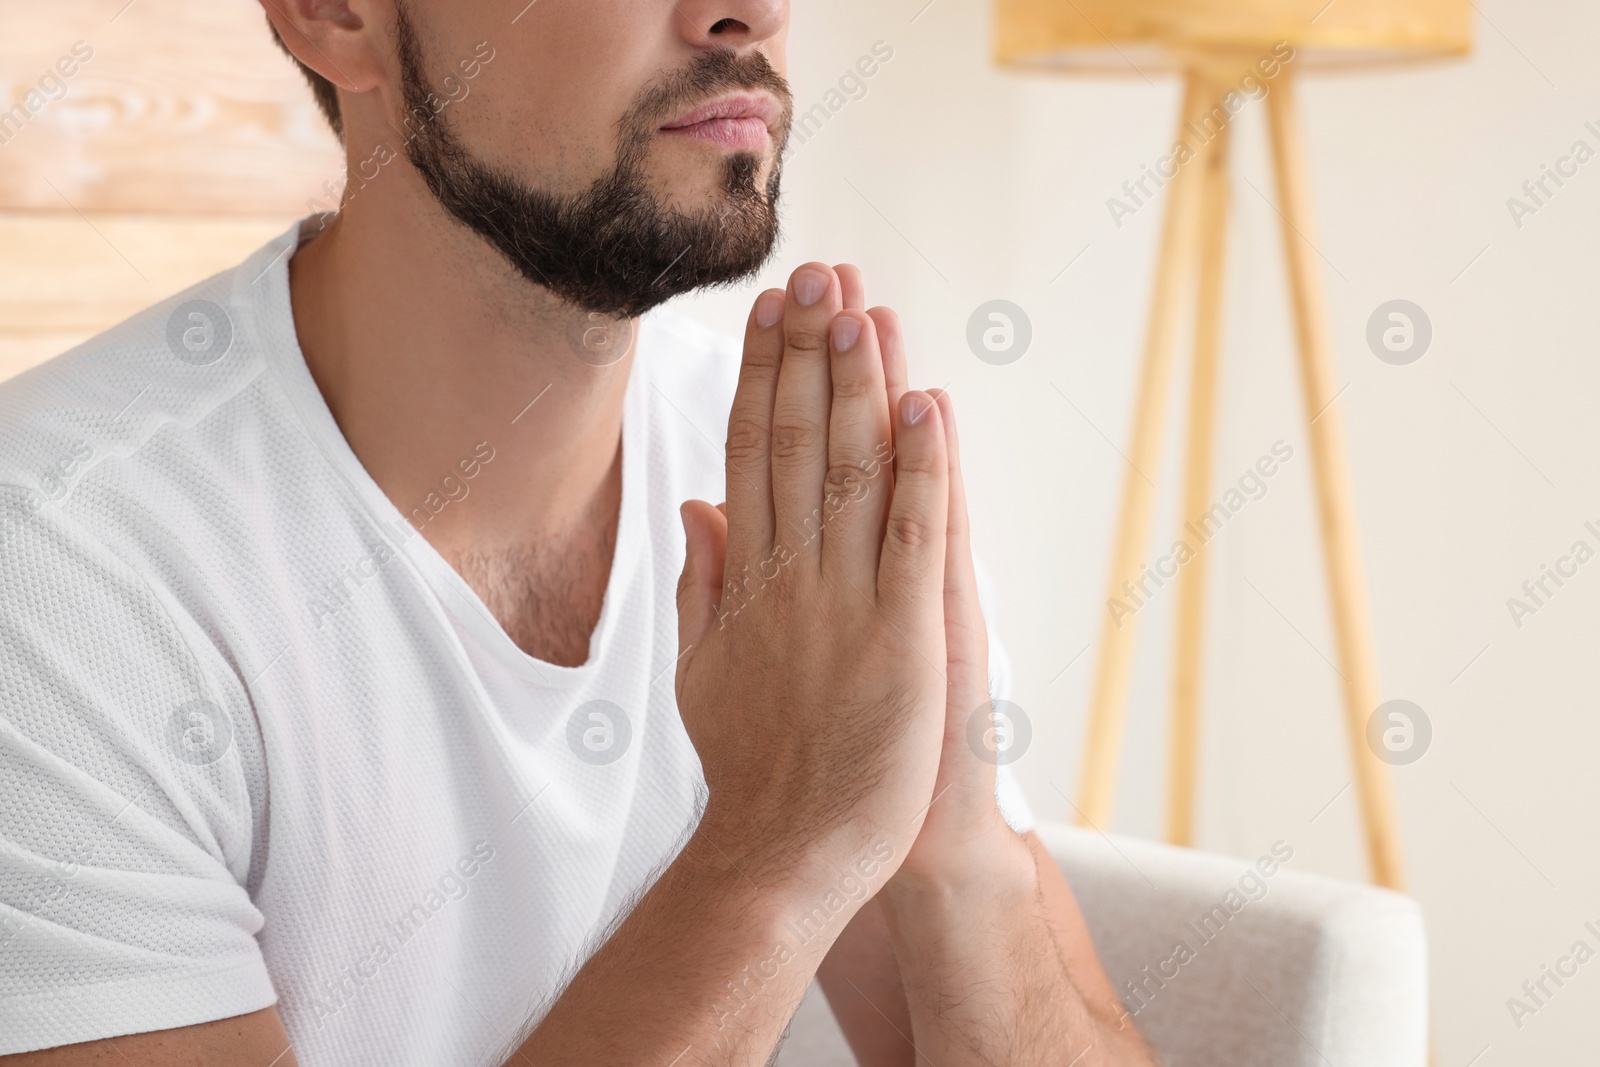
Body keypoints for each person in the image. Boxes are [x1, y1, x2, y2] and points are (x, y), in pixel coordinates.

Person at [0, 2, 1153, 1064]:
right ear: (335, 15)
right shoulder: (58, 566)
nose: (748, 9)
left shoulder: (799, 465)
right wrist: (778, 844)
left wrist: (950, 842)